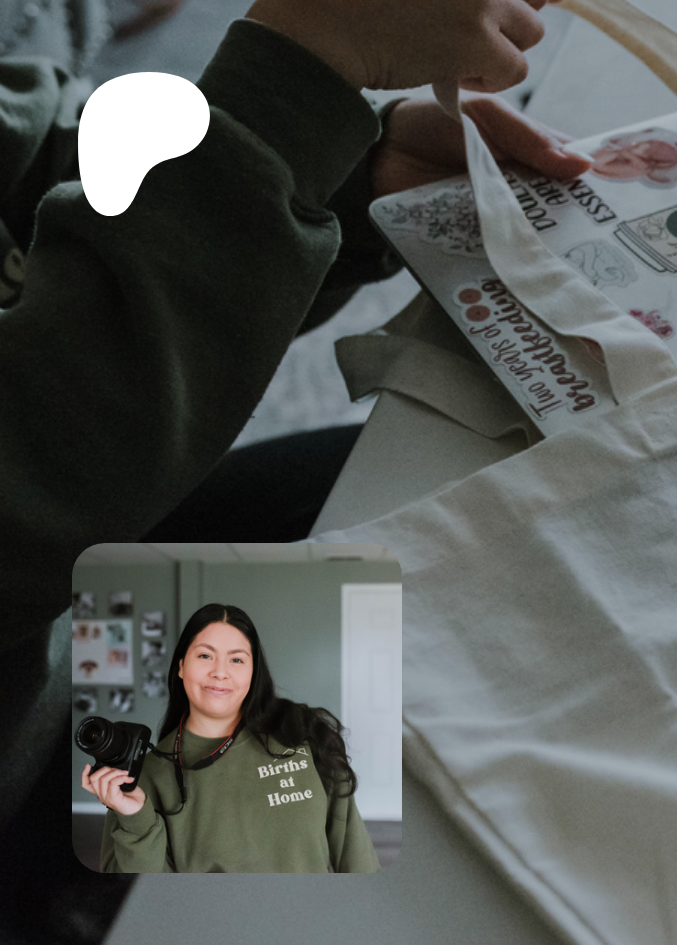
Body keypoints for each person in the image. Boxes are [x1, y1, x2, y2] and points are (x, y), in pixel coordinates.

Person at [0, 0, 588, 930]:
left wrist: (320, 167)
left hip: (57, 631)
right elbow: (38, 479)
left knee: (466, 475)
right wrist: (299, 78)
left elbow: (27, 170)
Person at [81, 603, 378, 872]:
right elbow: (145, 896)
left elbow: (355, 854)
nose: (220, 672)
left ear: (253, 672)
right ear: (181, 666)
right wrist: (136, 818)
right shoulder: (140, 777)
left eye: (236, 660)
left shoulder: (301, 734)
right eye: (205, 655)